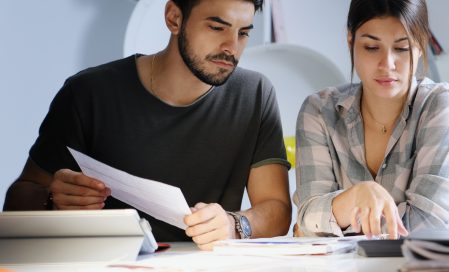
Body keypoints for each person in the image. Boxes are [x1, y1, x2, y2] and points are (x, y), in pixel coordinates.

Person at [3, 0, 292, 250]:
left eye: (243, 33)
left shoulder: (255, 93)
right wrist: (53, 198)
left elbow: (277, 210)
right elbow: (16, 201)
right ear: (174, 18)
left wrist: (235, 224)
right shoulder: (88, 92)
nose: (232, 48)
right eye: (217, 28)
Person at [293, 0, 449, 239]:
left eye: (402, 48)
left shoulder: (442, 104)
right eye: (371, 48)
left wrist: (337, 214)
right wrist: (357, 196)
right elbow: (307, 216)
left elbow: (427, 223)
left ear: (420, 46)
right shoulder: (319, 111)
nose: (387, 64)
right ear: (350, 42)